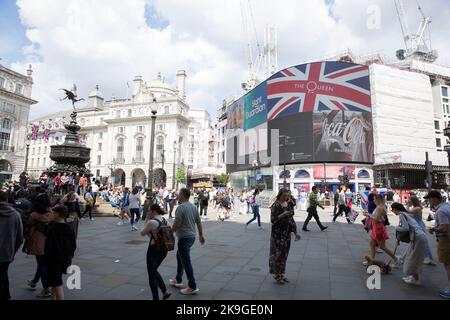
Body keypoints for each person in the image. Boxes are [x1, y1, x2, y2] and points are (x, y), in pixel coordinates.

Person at [169, 188, 205, 295]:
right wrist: (201, 235)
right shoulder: (193, 207)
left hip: (184, 238)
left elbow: (177, 224)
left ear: (183, 195)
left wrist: (169, 233)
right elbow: (198, 222)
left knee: (186, 262)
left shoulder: (181, 208)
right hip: (191, 237)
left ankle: (192, 286)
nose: (177, 196)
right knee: (180, 256)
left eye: (179, 194)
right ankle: (178, 279)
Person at [44, 205, 76, 300]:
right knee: (55, 280)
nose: (52, 214)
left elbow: (48, 247)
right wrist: (69, 256)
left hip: (53, 260)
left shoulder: (52, 229)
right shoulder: (69, 228)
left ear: (57, 214)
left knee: (57, 283)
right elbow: (73, 245)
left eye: (53, 213)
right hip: (65, 259)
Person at [140, 204, 172, 300]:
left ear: (154, 211)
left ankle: (156, 298)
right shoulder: (165, 220)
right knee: (153, 270)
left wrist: (146, 219)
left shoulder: (152, 222)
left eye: (149, 210)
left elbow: (142, 233)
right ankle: (165, 292)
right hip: (164, 250)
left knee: (151, 274)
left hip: (154, 250)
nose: (148, 212)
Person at [391, 202, 427, 285]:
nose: (393, 212)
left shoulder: (401, 215)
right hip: (418, 236)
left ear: (396, 209)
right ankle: (413, 277)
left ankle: (416, 280)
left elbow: (405, 228)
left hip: (417, 237)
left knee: (412, 258)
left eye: (392, 210)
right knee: (412, 257)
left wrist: (396, 228)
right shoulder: (406, 214)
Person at [24, 201, 54, 298]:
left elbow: (28, 224)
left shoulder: (34, 215)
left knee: (41, 264)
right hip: (48, 241)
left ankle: (46, 289)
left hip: (38, 241)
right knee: (42, 263)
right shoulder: (51, 214)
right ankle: (34, 281)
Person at [269, 189, 300, 284]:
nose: (286, 197)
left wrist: (295, 232)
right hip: (277, 235)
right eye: (284, 195)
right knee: (277, 255)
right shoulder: (275, 205)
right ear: (280, 195)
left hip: (286, 235)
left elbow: (291, 220)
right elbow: (273, 220)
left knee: (284, 255)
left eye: (287, 195)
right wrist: (282, 215)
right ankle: (276, 274)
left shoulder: (288, 204)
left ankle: (281, 274)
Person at [425, 190, 450, 299]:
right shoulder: (447, 207)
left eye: (429, 199)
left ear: (435, 199)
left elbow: (445, 228)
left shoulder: (441, 211)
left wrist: (434, 229)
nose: (428, 202)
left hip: (446, 240)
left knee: (448, 265)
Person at [0, 190, 23, 300]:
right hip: (7, 252)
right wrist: (13, 251)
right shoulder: (15, 215)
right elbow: (19, 237)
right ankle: (6, 295)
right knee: (3, 273)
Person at [363, 195, 399, 265]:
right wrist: (369, 214)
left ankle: (396, 258)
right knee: (372, 245)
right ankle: (371, 261)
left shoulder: (380, 207)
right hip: (376, 228)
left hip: (378, 229)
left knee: (382, 247)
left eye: (374, 199)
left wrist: (368, 214)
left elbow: (376, 219)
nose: (373, 201)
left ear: (378, 200)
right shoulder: (379, 207)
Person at [406, 195, 436, 265]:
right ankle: (424, 257)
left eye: (409, 200)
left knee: (422, 243)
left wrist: (408, 205)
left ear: (413, 201)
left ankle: (429, 258)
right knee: (416, 242)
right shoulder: (416, 207)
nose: (408, 201)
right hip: (417, 225)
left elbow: (407, 212)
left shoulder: (417, 208)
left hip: (419, 226)